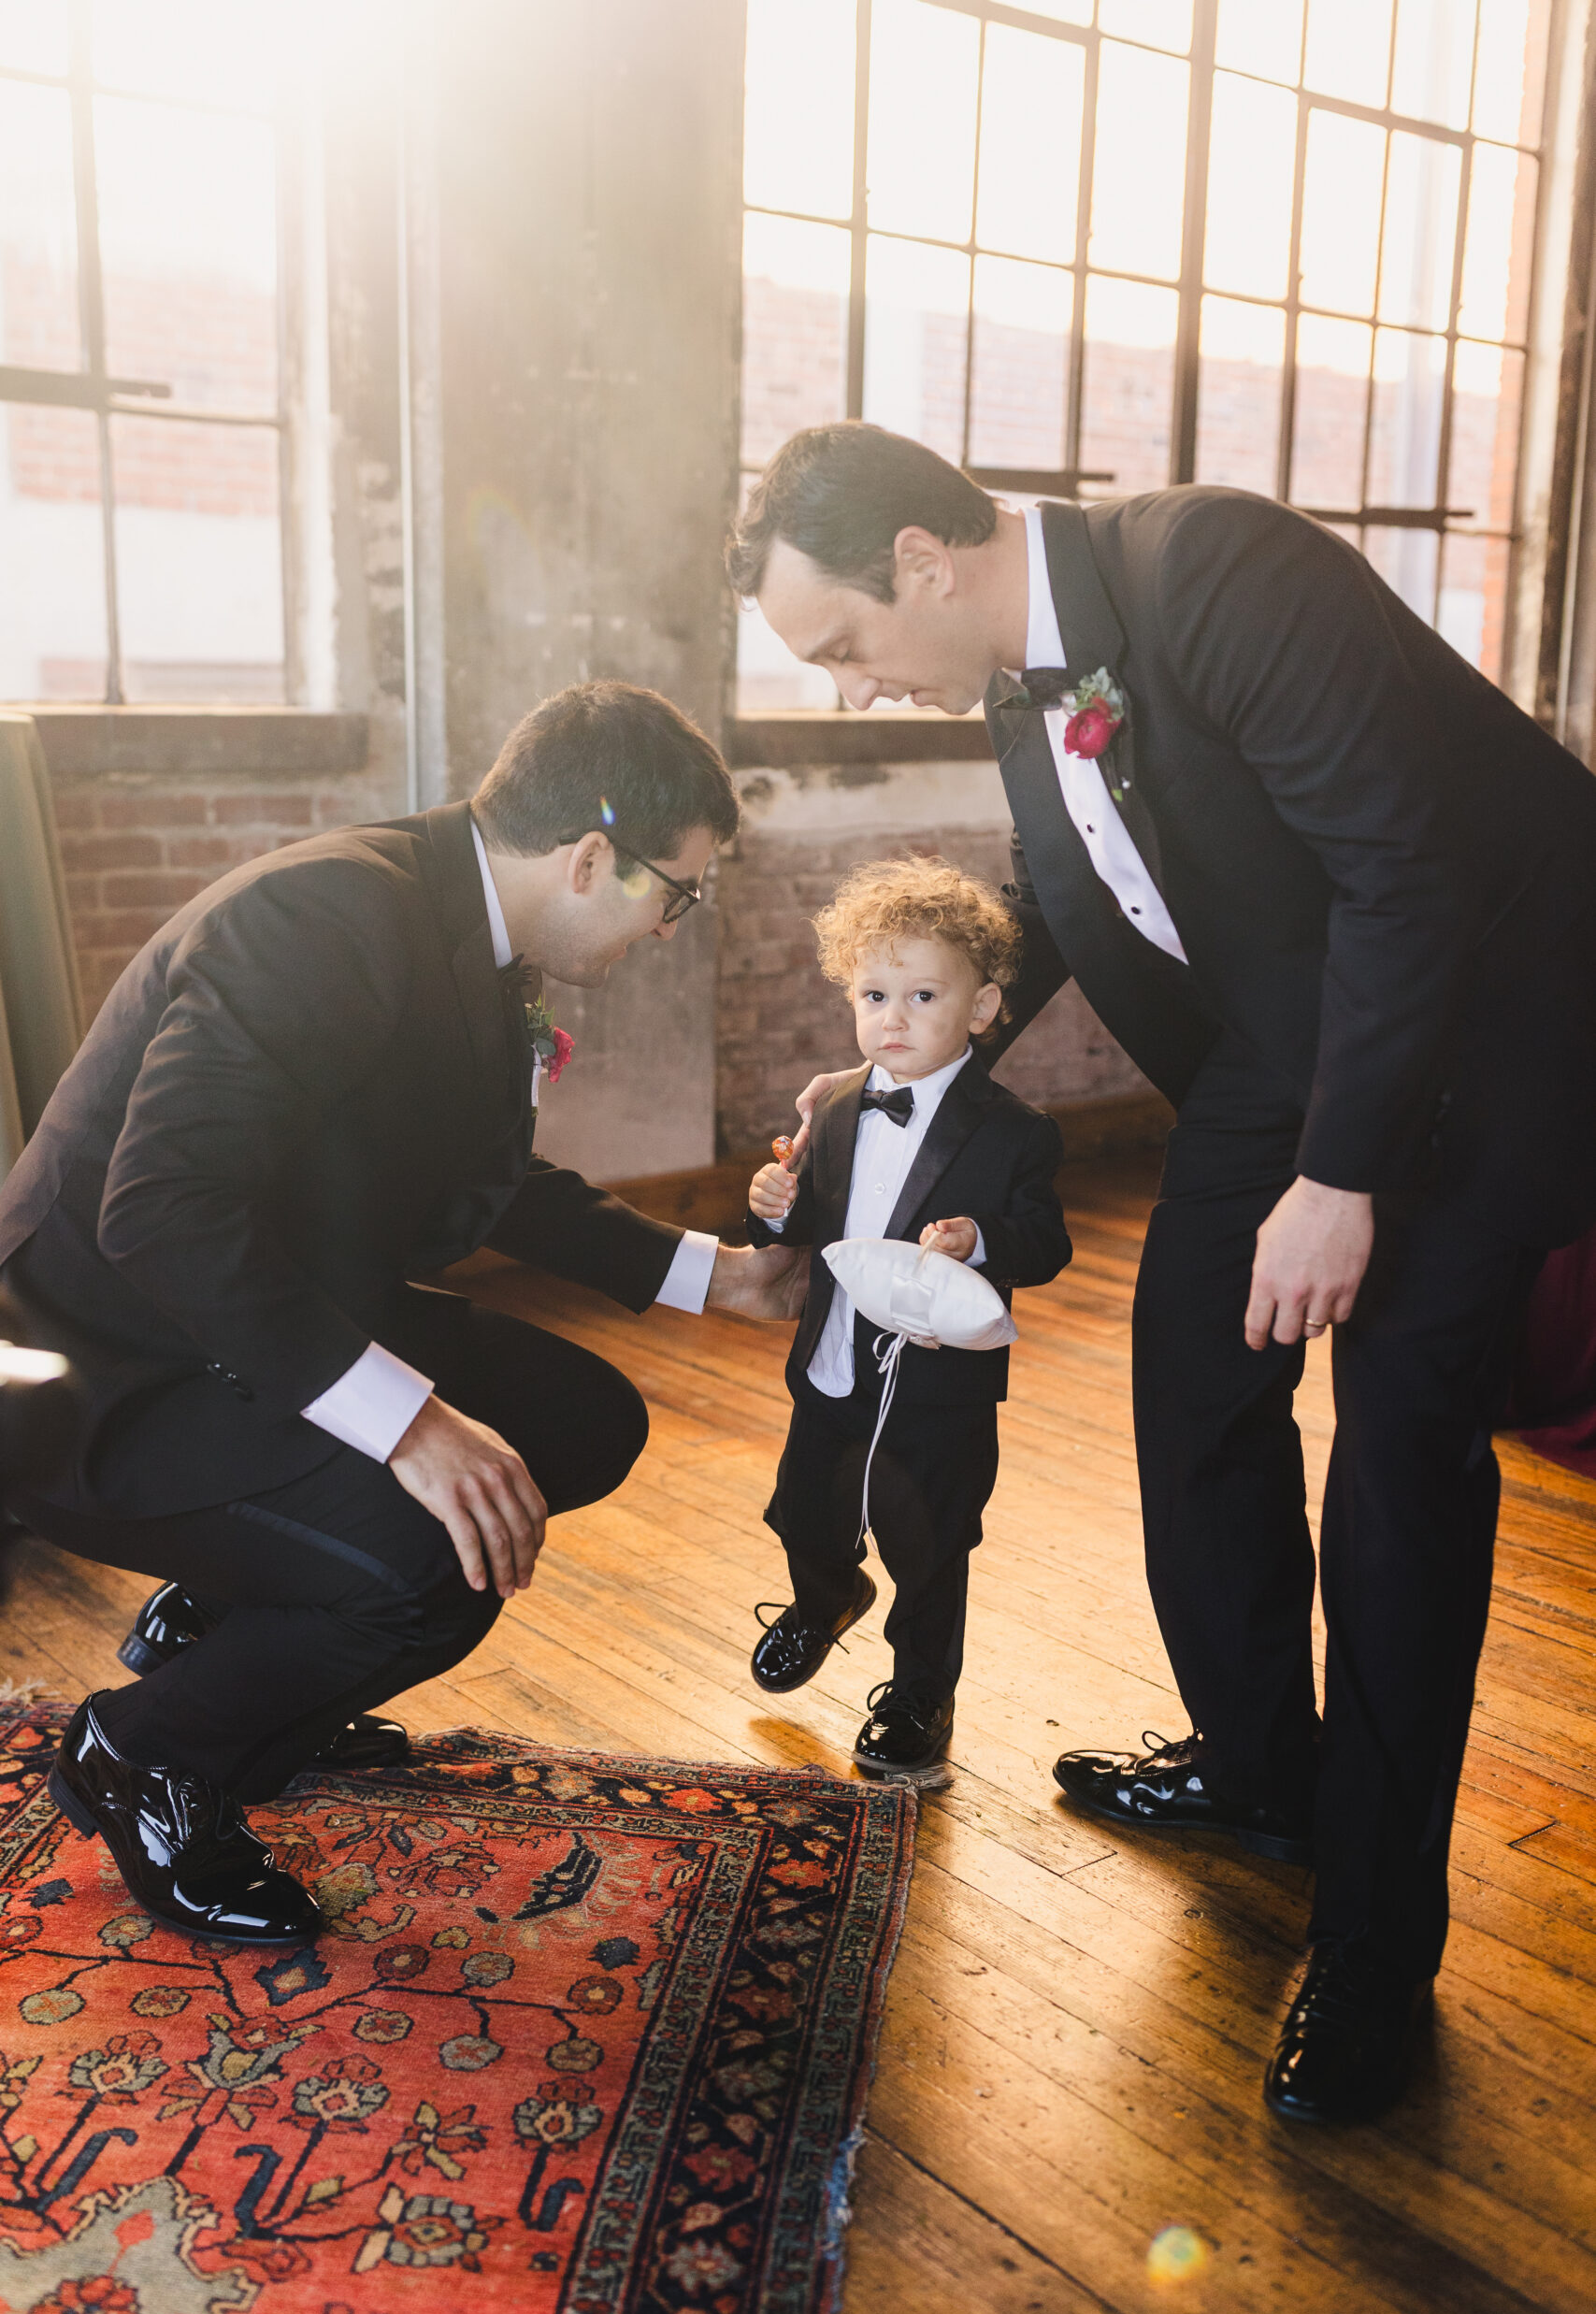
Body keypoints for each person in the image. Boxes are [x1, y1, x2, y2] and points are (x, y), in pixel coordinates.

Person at [726, 422, 1596, 2124]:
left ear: (921, 558)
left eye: (841, 646)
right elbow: (1071, 893)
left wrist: (1337, 1180)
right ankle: (1263, 1770)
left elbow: (1404, 869)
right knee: (1193, 1375)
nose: (848, 685)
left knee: (1399, 1455)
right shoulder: (1003, 667)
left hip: (1492, 1039)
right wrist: (916, 1057)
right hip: (1296, 1036)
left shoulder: (1217, 567)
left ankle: (1372, 1939)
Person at [0, 680, 802, 1946]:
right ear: (590, 857)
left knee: (579, 1421)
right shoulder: (321, 918)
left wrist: (720, 1274)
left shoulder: (458, 919)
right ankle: (146, 1753)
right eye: (677, 894)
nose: (672, 929)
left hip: (242, 1329)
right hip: (103, 1372)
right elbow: (161, 1214)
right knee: (438, 1556)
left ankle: (228, 1616)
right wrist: (412, 1428)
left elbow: (484, 1175)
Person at [744, 857, 1071, 1782]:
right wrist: (774, 1205)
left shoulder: (1016, 1132)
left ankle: (920, 1694)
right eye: (874, 993)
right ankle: (825, 1597)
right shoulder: (839, 1106)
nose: (894, 1016)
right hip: (833, 1369)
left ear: (982, 1007)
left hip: (940, 1392)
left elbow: (1046, 1244)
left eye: (923, 994)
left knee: (929, 1548)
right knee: (802, 1513)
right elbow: (813, 1225)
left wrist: (979, 1240)